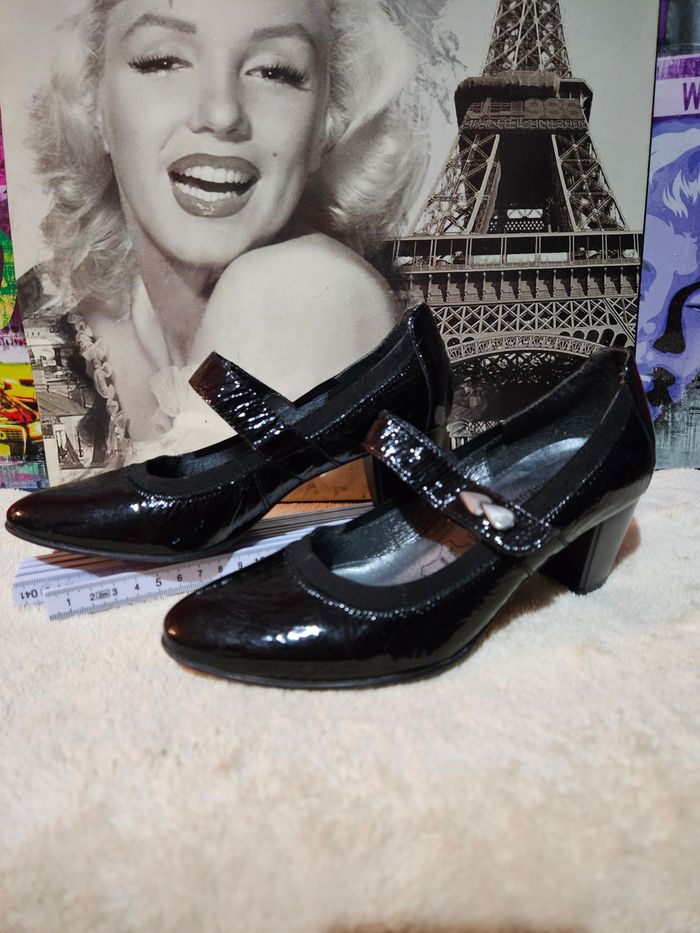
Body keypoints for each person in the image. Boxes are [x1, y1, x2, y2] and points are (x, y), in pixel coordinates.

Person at [19, 0, 428, 472]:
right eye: (164, 61)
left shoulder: (328, 296)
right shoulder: (30, 331)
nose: (221, 113)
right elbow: (15, 511)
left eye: (274, 71)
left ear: (327, 124)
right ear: (95, 107)